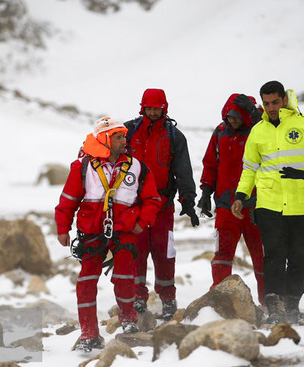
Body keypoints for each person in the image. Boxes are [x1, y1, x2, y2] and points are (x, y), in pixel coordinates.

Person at [231, 81, 304, 323]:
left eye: (275, 102)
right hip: (269, 203)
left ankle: (292, 303)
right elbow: (249, 168)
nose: (271, 108)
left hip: (303, 202)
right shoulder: (258, 130)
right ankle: (276, 306)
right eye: (266, 104)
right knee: (274, 255)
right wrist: (241, 195)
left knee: (300, 256)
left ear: (285, 100)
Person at [55, 116, 161, 352]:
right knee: (85, 282)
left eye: (124, 135)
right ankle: (88, 334)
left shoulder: (137, 167)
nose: (125, 140)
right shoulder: (82, 167)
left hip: (124, 231)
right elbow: (68, 201)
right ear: (104, 139)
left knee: (124, 277)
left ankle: (129, 321)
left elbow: (153, 199)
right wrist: (63, 228)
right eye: (118, 137)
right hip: (91, 233)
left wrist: (141, 223)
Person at [124, 88, 198, 320]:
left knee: (164, 252)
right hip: (132, 205)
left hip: (162, 205)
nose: (153, 112)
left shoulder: (174, 136)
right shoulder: (127, 132)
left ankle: (168, 299)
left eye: (157, 108)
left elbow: (183, 171)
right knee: (135, 251)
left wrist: (188, 200)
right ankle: (137, 297)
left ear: (164, 108)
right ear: (142, 107)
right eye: (149, 108)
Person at [198, 94, 265, 304]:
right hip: (226, 207)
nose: (231, 121)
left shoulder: (261, 130)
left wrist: (256, 117)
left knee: (262, 259)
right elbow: (210, 164)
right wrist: (206, 192)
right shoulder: (220, 133)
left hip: (256, 206)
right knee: (221, 257)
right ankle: (220, 302)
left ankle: (268, 301)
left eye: (236, 117)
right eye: (228, 117)